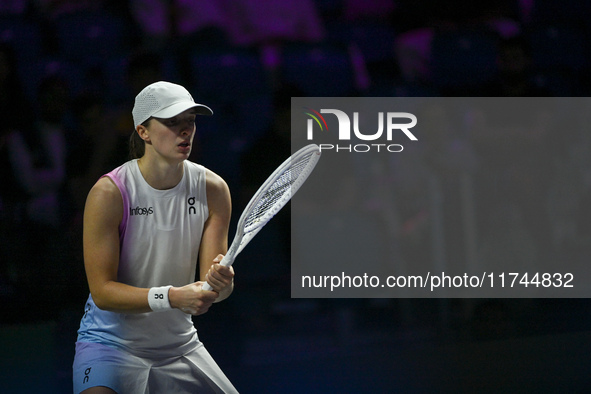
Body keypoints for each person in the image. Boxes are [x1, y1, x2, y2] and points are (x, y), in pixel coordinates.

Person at [72, 81, 238, 393]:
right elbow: (103, 292)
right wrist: (173, 296)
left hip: (180, 346)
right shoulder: (109, 193)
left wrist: (221, 284)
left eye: (190, 120)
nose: (185, 130)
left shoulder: (213, 189)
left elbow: (209, 289)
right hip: (110, 345)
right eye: (172, 122)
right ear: (144, 131)